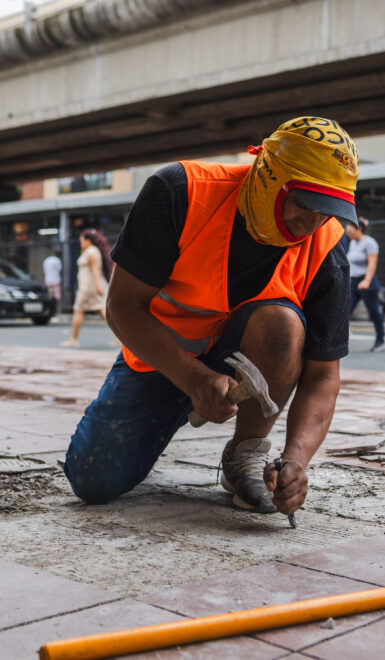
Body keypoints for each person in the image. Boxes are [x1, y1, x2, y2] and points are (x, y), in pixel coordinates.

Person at [63, 116, 359, 519]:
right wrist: (194, 379)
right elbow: (122, 307)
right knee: (93, 481)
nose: (311, 223)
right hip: (162, 356)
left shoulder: (327, 247)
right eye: (304, 203)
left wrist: (296, 461)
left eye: (328, 211)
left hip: (247, 355)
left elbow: (324, 376)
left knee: (282, 323)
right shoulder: (180, 193)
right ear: (269, 176)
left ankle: (245, 454)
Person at [61, 229, 112, 347]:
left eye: (82, 240)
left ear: (88, 241)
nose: (80, 243)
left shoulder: (92, 252)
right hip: (91, 286)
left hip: (89, 287)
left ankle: (74, 339)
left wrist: (98, 286)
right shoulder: (90, 251)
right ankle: (120, 337)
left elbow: (96, 270)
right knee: (103, 312)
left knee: (78, 310)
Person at [345, 217, 385, 352]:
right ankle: (340, 342)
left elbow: (372, 264)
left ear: (359, 229)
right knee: (345, 312)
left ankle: (380, 340)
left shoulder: (370, 243)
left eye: (350, 231)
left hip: (366, 282)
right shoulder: (353, 243)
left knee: (374, 312)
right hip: (353, 282)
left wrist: (367, 281)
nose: (348, 234)